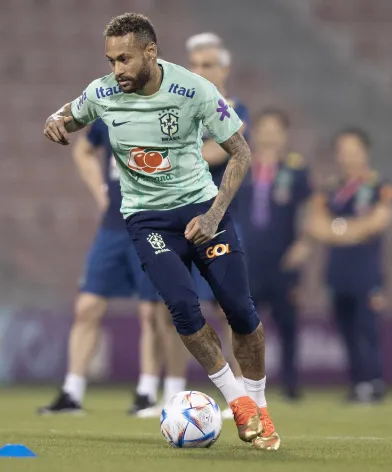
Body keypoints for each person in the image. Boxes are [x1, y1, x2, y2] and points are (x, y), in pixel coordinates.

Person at [43, 13, 280, 450]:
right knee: (181, 308)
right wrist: (55, 120)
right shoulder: (104, 92)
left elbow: (241, 154)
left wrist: (212, 216)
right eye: (111, 60)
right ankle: (239, 405)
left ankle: (260, 403)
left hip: (202, 209)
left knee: (240, 312)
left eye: (125, 59)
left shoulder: (194, 91)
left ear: (151, 53)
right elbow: (71, 114)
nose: (117, 70)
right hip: (146, 218)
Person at [151, 32, 253, 418]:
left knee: (231, 309)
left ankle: (242, 392)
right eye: (194, 65)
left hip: (220, 219)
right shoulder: (180, 102)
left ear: (224, 69)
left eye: (208, 65)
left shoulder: (234, 108)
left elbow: (216, 151)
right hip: (176, 218)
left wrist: (172, 157)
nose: (200, 72)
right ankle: (173, 390)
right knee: (171, 307)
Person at [38, 118, 163, 416]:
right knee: (87, 306)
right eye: (117, 66)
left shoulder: (163, 110)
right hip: (113, 228)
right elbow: (83, 150)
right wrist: (101, 193)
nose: (121, 70)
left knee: (152, 311)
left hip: (152, 224)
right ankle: (72, 391)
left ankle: (146, 392)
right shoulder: (108, 114)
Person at [306, 127, 392, 403]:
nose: (347, 157)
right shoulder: (330, 189)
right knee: (344, 329)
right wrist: (352, 229)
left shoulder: (379, 186)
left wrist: (338, 228)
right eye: (343, 151)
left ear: (364, 152)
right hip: (337, 270)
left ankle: (374, 382)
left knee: (367, 327)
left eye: (353, 151)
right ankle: (358, 383)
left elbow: (378, 222)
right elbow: (315, 226)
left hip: (367, 270)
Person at [233, 109, 312, 403]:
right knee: (242, 323)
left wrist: (305, 243)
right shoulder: (241, 165)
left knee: (288, 324)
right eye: (263, 128)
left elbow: (308, 209)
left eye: (275, 129)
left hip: (283, 260)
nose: (268, 135)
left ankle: (290, 384)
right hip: (246, 258)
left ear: (284, 135)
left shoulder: (296, 170)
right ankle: (244, 385)